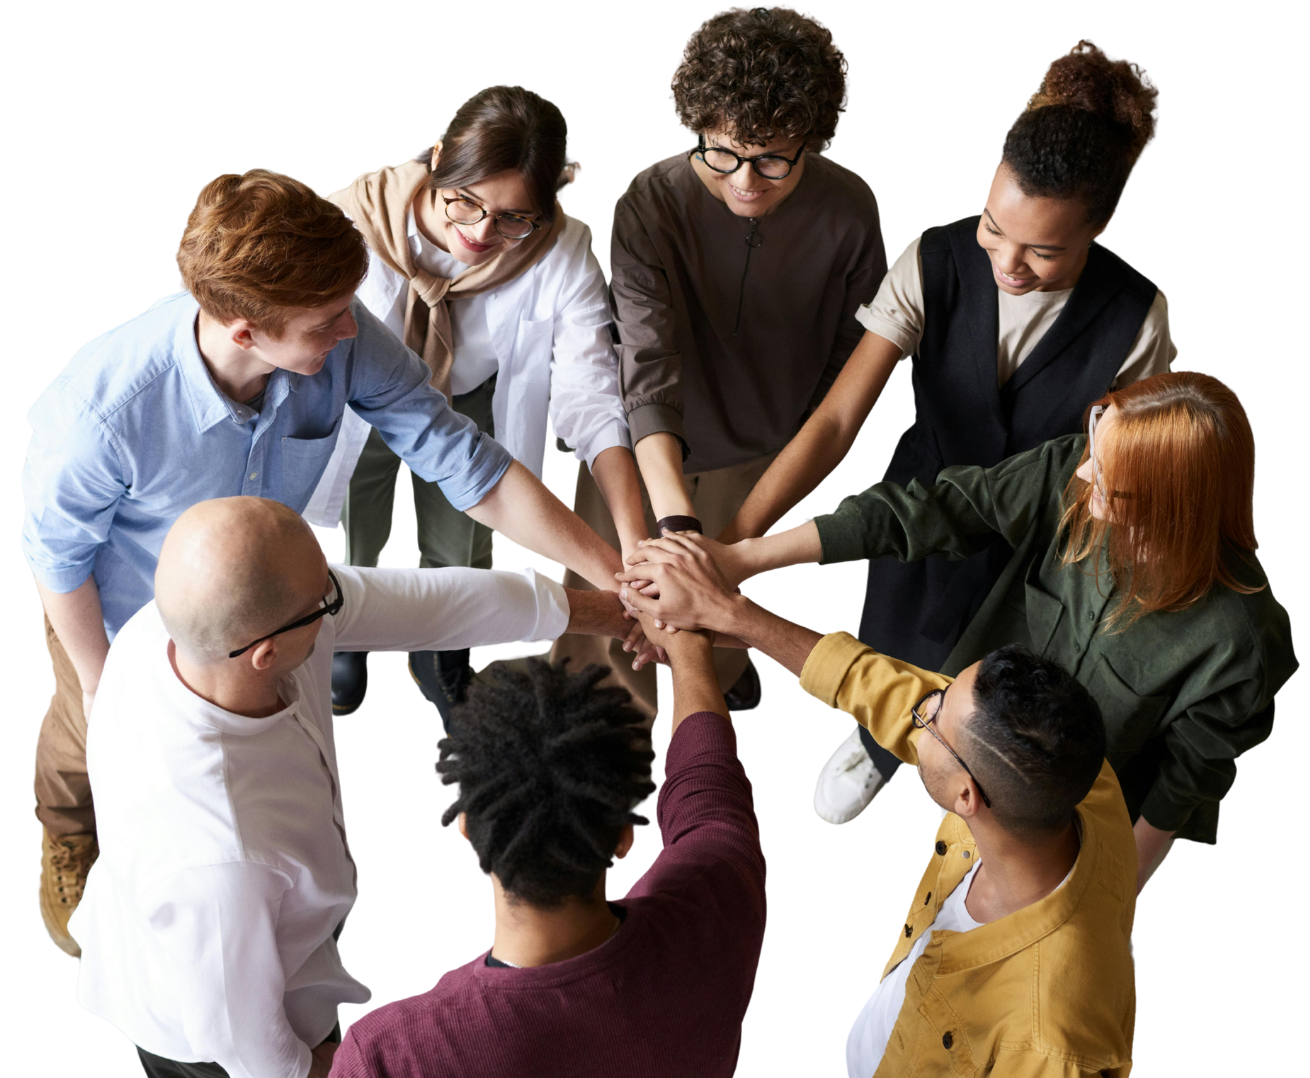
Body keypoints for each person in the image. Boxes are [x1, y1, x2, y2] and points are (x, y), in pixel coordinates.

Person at [22, 168, 643, 959]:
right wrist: (103, 686)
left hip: (269, 604)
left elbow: (461, 459)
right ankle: (68, 832)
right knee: (84, 740)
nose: (350, 331)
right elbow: (54, 556)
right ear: (245, 331)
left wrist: (608, 573)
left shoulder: (337, 329)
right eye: (326, 322)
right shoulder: (101, 411)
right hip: (120, 612)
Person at [713, 39, 1175, 825]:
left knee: (997, 695)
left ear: (1103, 223)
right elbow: (835, 421)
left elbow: (1128, 467)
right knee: (895, 641)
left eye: (1044, 250)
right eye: (996, 228)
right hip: (920, 506)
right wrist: (735, 548)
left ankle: (962, 773)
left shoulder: (1139, 319)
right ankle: (879, 736)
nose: (1008, 262)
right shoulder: (934, 258)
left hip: (1039, 538)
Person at [624, 371, 1297, 891]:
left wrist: (1109, 898)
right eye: (1095, 447)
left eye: (1112, 486)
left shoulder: (1243, 640)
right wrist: (740, 560)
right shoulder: (1075, 470)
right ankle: (884, 748)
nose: (1083, 473)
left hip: (1053, 820)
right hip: (950, 717)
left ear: (1175, 507)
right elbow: (936, 509)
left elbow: (1186, 786)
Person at [70, 496, 640, 1078]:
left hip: (239, 929)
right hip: (207, 1035)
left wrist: (614, 613)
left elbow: (430, 605)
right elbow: (239, 1037)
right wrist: (321, 1069)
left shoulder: (192, 627)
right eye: (326, 598)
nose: (340, 595)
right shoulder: (223, 858)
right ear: (266, 653)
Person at [618, 541, 1136, 1074]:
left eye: (933, 717)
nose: (920, 709)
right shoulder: (1074, 775)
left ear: (966, 797)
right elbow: (884, 687)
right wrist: (727, 616)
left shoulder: (1050, 1041)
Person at [549, 4, 887, 719]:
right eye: (722, 154)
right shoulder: (651, 198)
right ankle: (611, 761)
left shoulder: (851, 210)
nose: (744, 182)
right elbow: (646, 361)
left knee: (721, 605)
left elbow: (843, 374)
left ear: (810, 140)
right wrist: (675, 530)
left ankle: (722, 674)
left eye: (772, 160)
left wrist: (710, 554)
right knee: (617, 609)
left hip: (761, 448)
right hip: (644, 443)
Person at [303, 85, 645, 722]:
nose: (482, 233)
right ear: (438, 160)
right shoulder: (349, 218)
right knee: (355, 523)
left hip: (469, 392)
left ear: (550, 205)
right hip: (357, 398)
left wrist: (631, 548)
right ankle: (343, 626)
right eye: (464, 203)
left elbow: (591, 393)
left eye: (514, 218)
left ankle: (441, 644)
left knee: (464, 539)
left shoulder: (562, 248)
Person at [328, 628, 766, 1075]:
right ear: (623, 835)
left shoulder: (388, 1054)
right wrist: (690, 650)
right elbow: (709, 785)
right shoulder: (719, 900)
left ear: (469, 831)